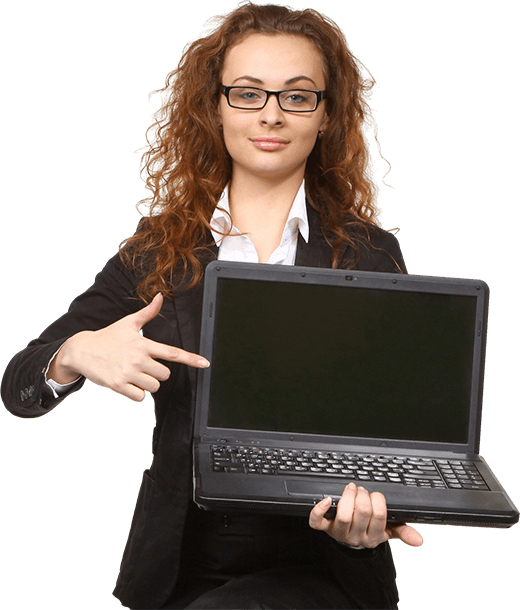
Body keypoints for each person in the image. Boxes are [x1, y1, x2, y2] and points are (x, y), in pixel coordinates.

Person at [1, 2, 424, 608]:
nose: (271, 114)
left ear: (327, 113)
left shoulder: (370, 254)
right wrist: (74, 353)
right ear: (216, 107)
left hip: (323, 558)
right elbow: (19, 386)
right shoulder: (158, 252)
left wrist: (368, 522)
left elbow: (396, 426)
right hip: (181, 560)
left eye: (297, 96)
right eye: (247, 94)